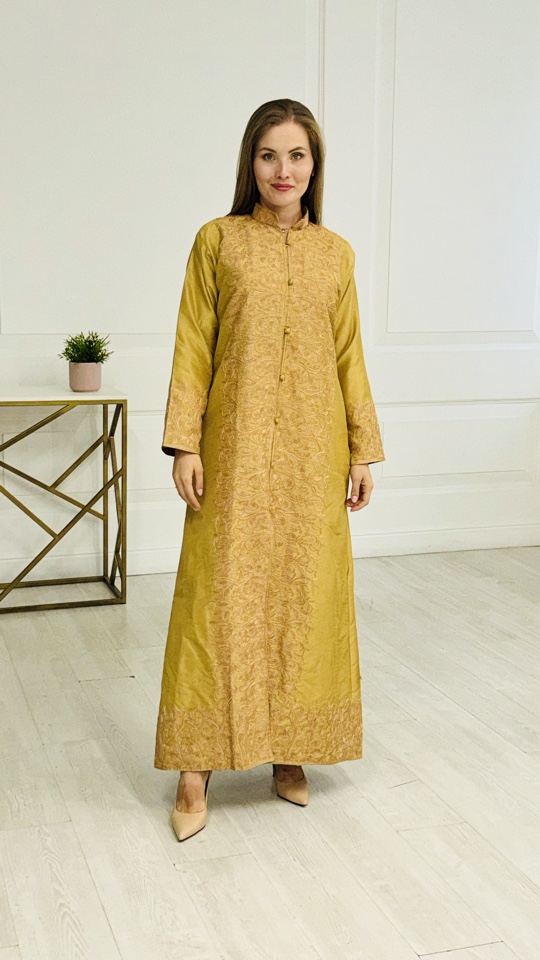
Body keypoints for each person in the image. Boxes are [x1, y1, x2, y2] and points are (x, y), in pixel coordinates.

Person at [154, 98, 385, 841]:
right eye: (268, 155)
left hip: (316, 455)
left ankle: (290, 750)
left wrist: (362, 450)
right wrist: (185, 444)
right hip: (234, 450)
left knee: (304, 599)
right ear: (249, 163)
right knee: (216, 600)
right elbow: (193, 345)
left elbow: (349, 356)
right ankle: (195, 769)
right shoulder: (217, 242)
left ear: (315, 166)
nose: (283, 170)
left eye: (297, 156)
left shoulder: (336, 255)